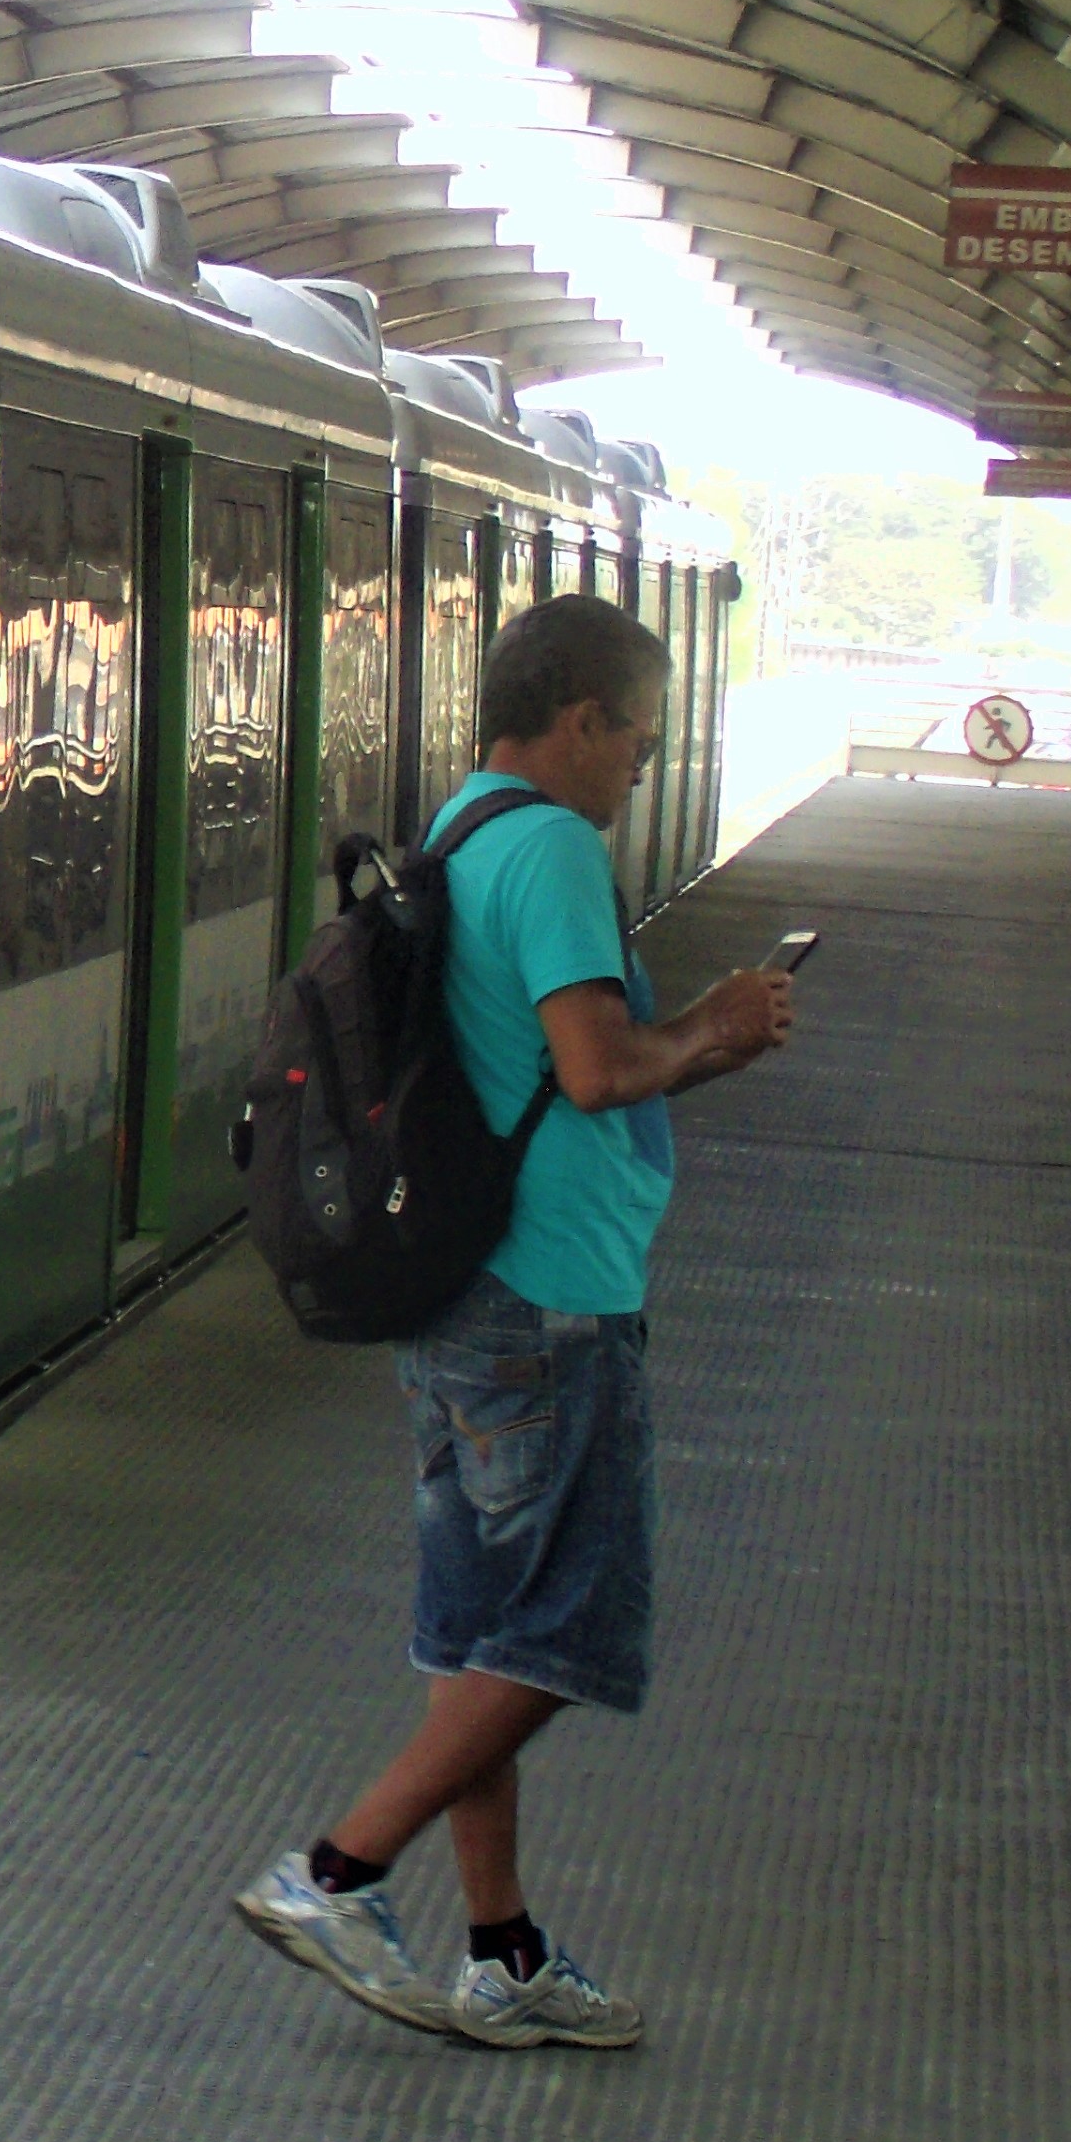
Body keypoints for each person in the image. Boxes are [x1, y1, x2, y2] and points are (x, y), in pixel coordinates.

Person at [234, 591, 792, 2048]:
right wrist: (715, 1026)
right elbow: (601, 1069)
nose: (642, 775)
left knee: (481, 1630)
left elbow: (564, 1071)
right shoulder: (551, 846)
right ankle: (334, 1872)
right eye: (642, 746)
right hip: (550, 1298)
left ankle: (502, 1950)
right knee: (566, 1628)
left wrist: (705, 1051)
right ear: (583, 720)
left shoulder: (470, 825)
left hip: (471, 1293)